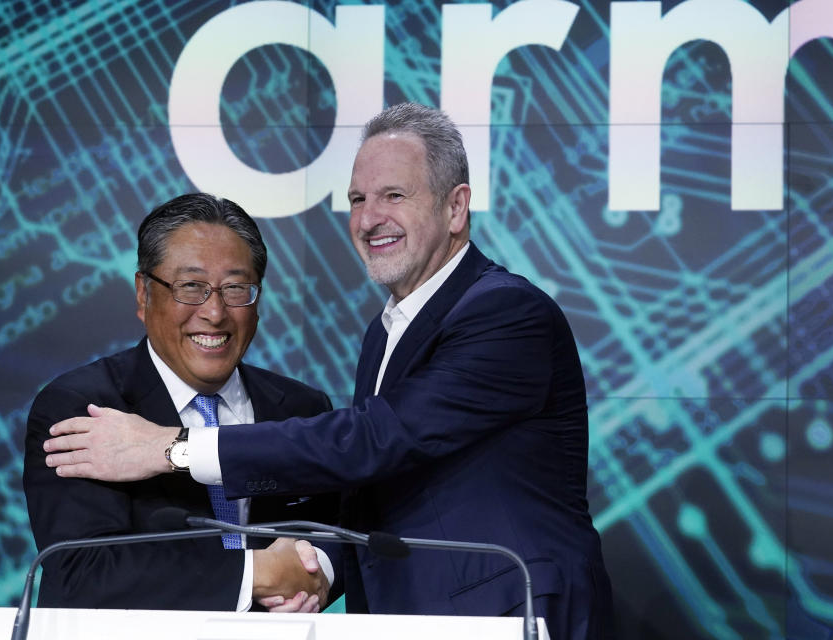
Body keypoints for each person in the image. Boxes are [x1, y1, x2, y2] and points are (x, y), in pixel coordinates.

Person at [43, 104, 615, 639]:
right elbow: (378, 494)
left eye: (394, 194)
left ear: (456, 207)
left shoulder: (506, 313)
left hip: (506, 611)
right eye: (357, 198)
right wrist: (314, 566)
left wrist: (175, 449)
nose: (369, 219)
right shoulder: (386, 332)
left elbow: (379, 440)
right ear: (144, 295)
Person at [24, 193, 338, 613]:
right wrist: (255, 573)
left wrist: (319, 574)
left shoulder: (302, 407)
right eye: (191, 287)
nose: (214, 312)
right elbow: (83, 568)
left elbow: (344, 534)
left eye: (234, 289)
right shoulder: (82, 407)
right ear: (143, 294)